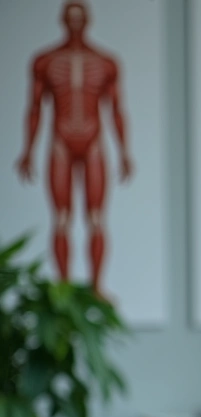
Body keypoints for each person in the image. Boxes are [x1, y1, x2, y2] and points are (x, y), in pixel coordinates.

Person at [15, 1, 132, 296]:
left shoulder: (106, 62)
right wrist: (27, 150)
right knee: (63, 218)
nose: (75, 24)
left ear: (88, 21)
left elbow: (117, 109)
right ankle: (64, 288)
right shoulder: (45, 61)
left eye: (80, 18)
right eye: (71, 18)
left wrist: (124, 152)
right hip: (60, 143)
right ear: (63, 21)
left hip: (93, 142)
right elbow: (34, 109)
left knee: (95, 218)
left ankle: (96, 286)